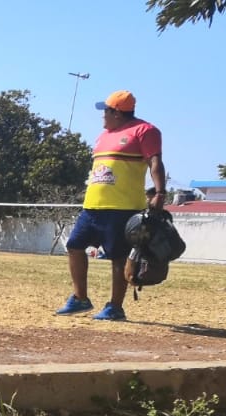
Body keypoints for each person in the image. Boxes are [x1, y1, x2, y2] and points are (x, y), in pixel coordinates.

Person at [56, 90, 166, 322]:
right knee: (75, 246)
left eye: (105, 111)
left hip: (122, 207)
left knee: (118, 256)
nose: (102, 116)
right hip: (92, 206)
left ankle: (115, 307)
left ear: (116, 112)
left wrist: (160, 192)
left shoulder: (144, 131)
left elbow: (155, 161)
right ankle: (80, 298)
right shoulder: (103, 135)